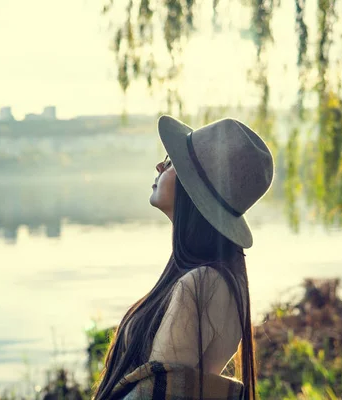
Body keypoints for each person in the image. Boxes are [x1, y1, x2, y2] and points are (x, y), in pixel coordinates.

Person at [92, 115, 275, 400]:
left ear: (194, 186)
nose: (159, 166)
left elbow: (158, 395)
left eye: (171, 161)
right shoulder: (207, 275)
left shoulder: (204, 283)